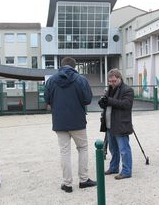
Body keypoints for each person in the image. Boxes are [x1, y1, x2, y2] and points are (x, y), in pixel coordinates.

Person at [44, 57, 96, 193]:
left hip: (59, 121)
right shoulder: (81, 80)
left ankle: (67, 183)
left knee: (64, 152)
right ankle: (83, 180)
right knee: (83, 148)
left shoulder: (51, 80)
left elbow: (47, 99)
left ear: (62, 65)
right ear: (74, 66)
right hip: (77, 120)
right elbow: (88, 100)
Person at [98, 69, 134, 180]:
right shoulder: (109, 90)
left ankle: (126, 171)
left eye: (114, 81)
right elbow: (108, 104)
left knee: (124, 149)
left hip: (121, 124)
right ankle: (114, 167)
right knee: (113, 149)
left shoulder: (127, 90)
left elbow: (126, 104)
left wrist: (109, 100)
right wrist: (102, 102)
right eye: (110, 81)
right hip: (109, 124)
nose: (111, 83)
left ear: (119, 78)